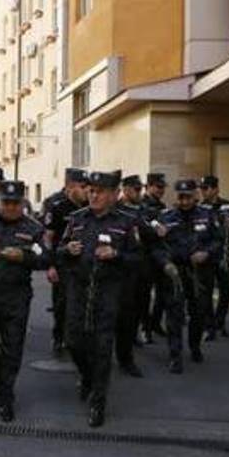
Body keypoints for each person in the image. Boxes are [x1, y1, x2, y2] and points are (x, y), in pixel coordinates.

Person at [57, 171, 136, 427]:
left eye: (100, 191)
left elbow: (138, 260)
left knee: (102, 348)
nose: (94, 195)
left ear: (114, 194)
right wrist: (67, 250)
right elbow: (59, 251)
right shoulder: (77, 219)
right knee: (73, 341)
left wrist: (116, 254)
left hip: (108, 291)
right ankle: (87, 376)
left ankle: (98, 403)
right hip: (79, 290)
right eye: (90, 190)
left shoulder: (126, 222)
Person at [0, 180, 49, 422]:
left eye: (15, 203)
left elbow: (46, 258)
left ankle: (6, 395)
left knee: (12, 349)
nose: (11, 208)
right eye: (6, 202)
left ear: (22, 203)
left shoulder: (33, 228)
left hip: (16, 298)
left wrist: (23, 256)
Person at [153, 179, 223, 373]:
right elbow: (157, 247)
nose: (184, 201)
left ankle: (195, 346)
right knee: (174, 314)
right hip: (175, 272)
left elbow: (218, 241)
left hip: (200, 272)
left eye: (188, 197)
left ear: (196, 196)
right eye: (180, 197)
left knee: (199, 312)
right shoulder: (165, 217)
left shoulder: (208, 215)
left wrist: (207, 253)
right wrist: (165, 263)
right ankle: (175, 355)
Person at [40, 167, 89, 354]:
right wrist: (50, 264)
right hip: (62, 262)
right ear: (70, 187)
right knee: (61, 304)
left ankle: (76, 338)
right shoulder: (57, 205)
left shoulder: (88, 207)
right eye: (82, 186)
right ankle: (58, 336)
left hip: (82, 262)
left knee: (81, 303)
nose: (86, 190)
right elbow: (49, 237)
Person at [197, 175, 229, 341]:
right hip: (206, 256)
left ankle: (220, 322)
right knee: (206, 292)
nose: (203, 192)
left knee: (226, 290)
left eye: (206, 188)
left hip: (223, 255)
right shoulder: (199, 208)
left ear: (216, 188)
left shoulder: (228, 206)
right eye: (201, 188)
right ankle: (209, 325)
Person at [115, 174, 151, 369]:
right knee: (119, 313)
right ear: (126, 190)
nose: (140, 193)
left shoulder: (143, 209)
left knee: (135, 309)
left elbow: (151, 232)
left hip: (140, 266)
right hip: (119, 270)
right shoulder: (116, 210)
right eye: (136, 190)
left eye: (141, 189)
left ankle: (127, 352)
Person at [142, 172, 169, 338]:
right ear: (149, 186)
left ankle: (155, 323)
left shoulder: (161, 206)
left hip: (160, 254)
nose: (161, 191)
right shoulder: (142, 205)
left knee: (163, 292)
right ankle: (146, 328)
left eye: (162, 187)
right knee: (144, 294)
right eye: (158, 187)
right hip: (145, 255)